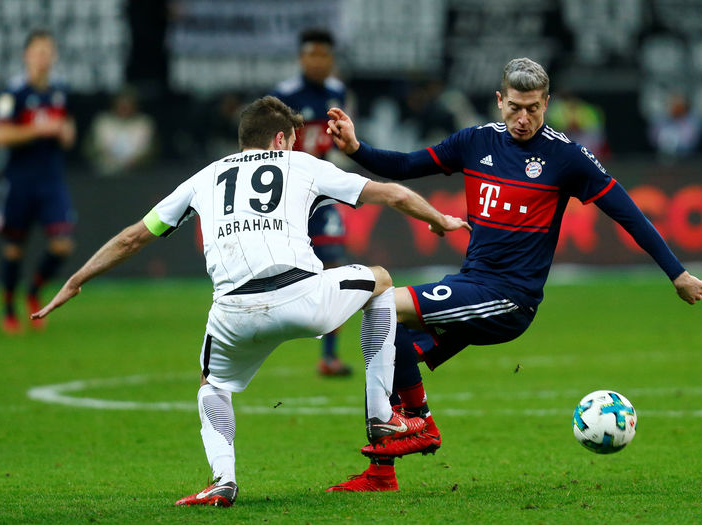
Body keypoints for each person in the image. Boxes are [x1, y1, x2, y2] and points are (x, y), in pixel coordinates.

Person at [31, 96, 470, 507]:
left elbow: (132, 238)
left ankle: (223, 481)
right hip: (303, 297)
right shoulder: (300, 164)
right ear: (281, 140)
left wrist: (75, 279)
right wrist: (439, 219)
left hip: (233, 315)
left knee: (212, 386)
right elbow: (392, 193)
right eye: (292, 140)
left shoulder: (204, 176)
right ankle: (382, 418)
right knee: (381, 281)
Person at [324, 57, 702, 491]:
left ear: (547, 103)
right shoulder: (475, 142)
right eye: (514, 108)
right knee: (392, 347)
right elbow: (407, 165)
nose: (523, 119)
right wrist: (356, 149)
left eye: (534, 109)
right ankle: (381, 475)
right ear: (499, 101)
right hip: (472, 285)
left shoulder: (568, 156)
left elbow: (629, 215)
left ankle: (423, 425)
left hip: (510, 298)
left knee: (382, 306)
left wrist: (677, 274)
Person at [269, 28, 353, 376]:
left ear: (331, 59)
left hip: (322, 194)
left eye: (324, 56)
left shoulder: (338, 92)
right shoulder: (283, 96)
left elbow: (335, 141)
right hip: (287, 196)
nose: (317, 61)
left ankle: (329, 356)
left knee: (333, 268)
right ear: (301, 58)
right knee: (281, 273)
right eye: (311, 55)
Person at [0, 29, 77, 334]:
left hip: (51, 180)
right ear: (27, 55)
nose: (43, 58)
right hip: (19, 181)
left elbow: (67, 130)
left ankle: (34, 290)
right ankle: (9, 308)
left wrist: (65, 132)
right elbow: (0, 135)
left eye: (48, 51)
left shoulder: (59, 92)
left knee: (63, 245)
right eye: (38, 51)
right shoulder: (12, 94)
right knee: (14, 248)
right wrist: (39, 130)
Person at [83, 85, 157, 176]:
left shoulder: (144, 122)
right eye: (121, 103)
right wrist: (105, 158)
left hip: (138, 175)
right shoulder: (103, 121)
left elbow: (152, 151)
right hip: (105, 174)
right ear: (114, 103)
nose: (124, 107)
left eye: (128, 103)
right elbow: (90, 149)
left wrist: (138, 161)